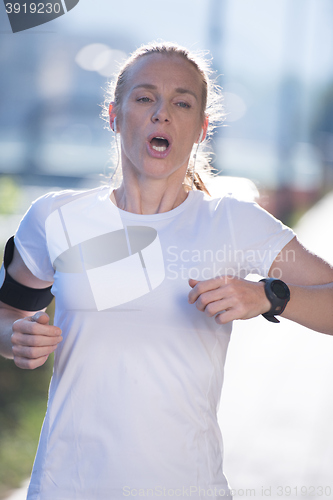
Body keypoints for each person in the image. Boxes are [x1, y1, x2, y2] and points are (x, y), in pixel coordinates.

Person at [0, 41, 332, 500]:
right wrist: (14, 338)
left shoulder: (234, 223)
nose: (162, 114)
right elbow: (9, 313)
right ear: (114, 116)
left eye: (182, 103)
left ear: (200, 128)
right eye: (144, 98)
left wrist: (270, 295)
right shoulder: (55, 217)